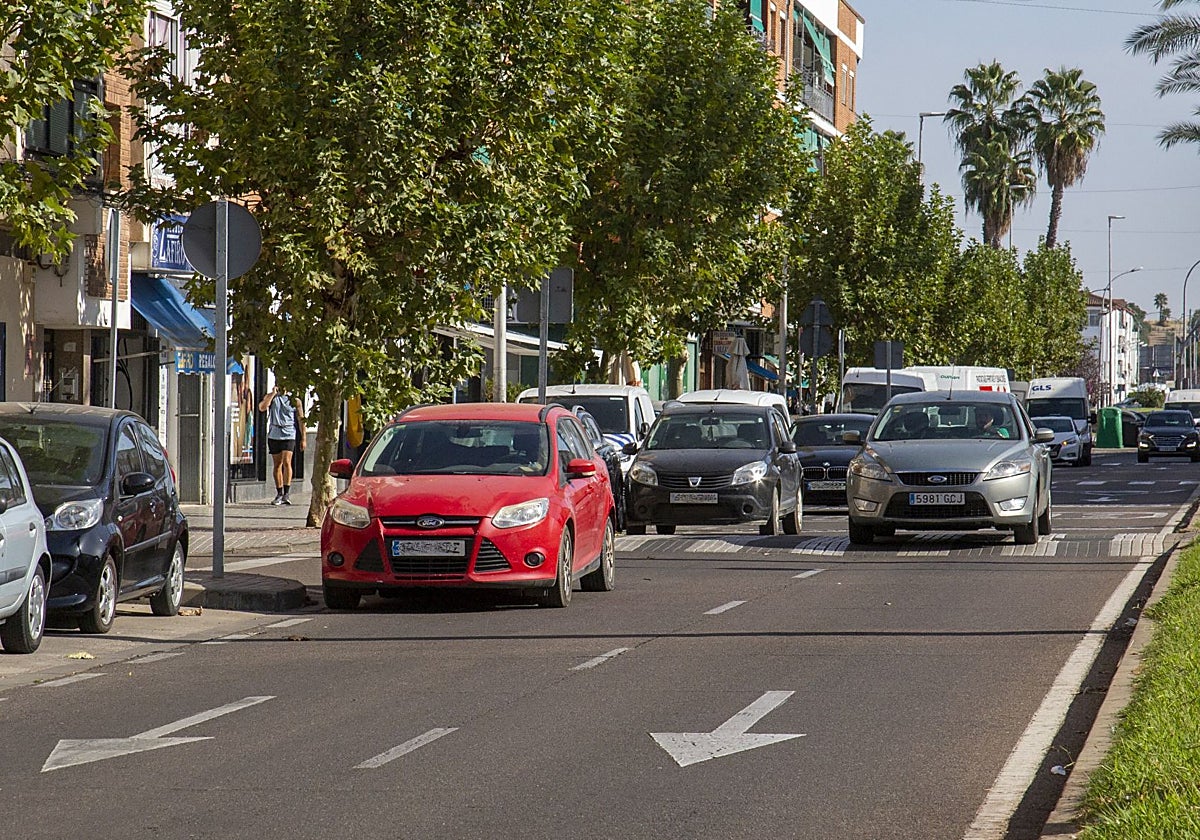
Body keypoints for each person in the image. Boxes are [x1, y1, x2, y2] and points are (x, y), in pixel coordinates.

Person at [259, 384, 305, 505]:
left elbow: (301, 419)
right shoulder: (272, 397)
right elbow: (262, 407)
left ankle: (287, 493)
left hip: (289, 433)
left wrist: (303, 438)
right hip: (274, 433)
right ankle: (279, 493)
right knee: (277, 464)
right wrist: (273, 394)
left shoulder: (295, 400)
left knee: (287, 461)